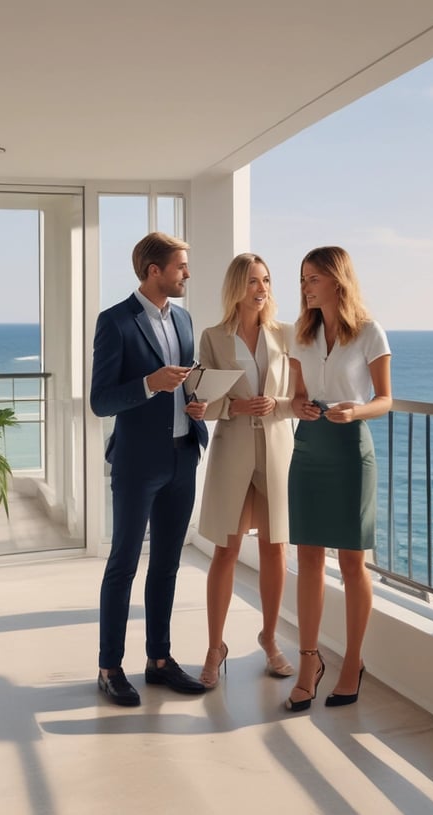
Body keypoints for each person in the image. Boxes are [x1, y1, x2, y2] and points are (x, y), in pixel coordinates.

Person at [90, 231, 209, 706]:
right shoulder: (115, 322)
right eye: (180, 266)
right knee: (122, 565)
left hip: (183, 456)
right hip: (139, 463)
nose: (187, 274)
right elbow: (102, 401)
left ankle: (159, 661)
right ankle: (109, 668)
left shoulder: (183, 319)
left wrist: (196, 402)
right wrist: (148, 383)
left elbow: (185, 385)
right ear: (153, 270)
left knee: (167, 564)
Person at [285, 246, 392, 712]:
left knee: (352, 563)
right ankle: (309, 662)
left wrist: (356, 411)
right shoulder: (300, 335)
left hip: (350, 451)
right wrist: (298, 407)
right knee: (307, 556)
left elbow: (386, 399)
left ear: (337, 281)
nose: (306, 287)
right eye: (303, 279)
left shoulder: (369, 333)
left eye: (313, 279)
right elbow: (297, 396)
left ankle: (352, 662)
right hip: (309, 448)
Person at [196, 253, 296, 688]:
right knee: (227, 549)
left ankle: (269, 639)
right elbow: (204, 403)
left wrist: (278, 405)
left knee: (276, 548)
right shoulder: (214, 338)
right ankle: (215, 647)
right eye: (254, 280)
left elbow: (299, 399)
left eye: (267, 280)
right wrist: (233, 406)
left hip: (277, 451)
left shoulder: (286, 335)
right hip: (233, 449)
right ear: (238, 286)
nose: (263, 288)